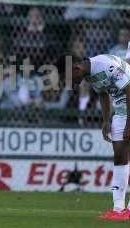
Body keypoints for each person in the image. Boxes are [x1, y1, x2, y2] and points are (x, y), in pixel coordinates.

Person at [55, 54, 130, 221]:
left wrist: (129, 123)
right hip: (120, 109)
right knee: (119, 155)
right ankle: (118, 209)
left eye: (69, 78)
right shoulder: (89, 74)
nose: (71, 83)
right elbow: (103, 94)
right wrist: (105, 120)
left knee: (122, 154)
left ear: (76, 68)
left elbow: (129, 88)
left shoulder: (105, 65)